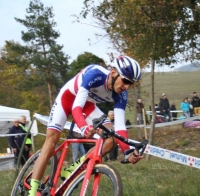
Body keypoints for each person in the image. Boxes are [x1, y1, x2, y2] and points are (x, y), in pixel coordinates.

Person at [28, 55, 143, 196]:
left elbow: (120, 128)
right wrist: (83, 127)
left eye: (131, 84)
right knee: (51, 143)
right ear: (113, 72)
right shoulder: (95, 74)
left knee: (111, 137)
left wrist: (128, 151)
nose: (126, 86)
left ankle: (72, 170)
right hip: (68, 99)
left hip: (88, 106)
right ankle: (32, 192)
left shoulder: (121, 94)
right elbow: (76, 107)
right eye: (125, 80)